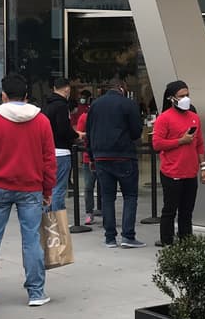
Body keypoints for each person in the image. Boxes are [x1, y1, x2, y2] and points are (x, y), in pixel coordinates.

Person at [0, 73, 56, 308]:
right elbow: (49, 160)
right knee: (31, 240)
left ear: (4, 95)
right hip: (31, 187)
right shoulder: (41, 121)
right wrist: (47, 189)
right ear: (26, 95)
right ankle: (36, 292)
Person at [87, 77, 145, 248]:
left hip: (101, 157)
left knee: (107, 197)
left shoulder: (95, 105)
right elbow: (136, 132)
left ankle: (110, 237)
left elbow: (89, 133)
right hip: (124, 155)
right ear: (122, 87)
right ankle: (128, 236)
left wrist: (91, 157)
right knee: (130, 196)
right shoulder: (128, 104)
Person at [153, 80, 205, 246]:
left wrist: (203, 168)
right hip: (171, 173)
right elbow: (157, 144)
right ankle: (167, 241)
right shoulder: (164, 118)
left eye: (187, 95)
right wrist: (180, 141)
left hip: (190, 172)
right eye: (181, 96)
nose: (186, 99)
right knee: (170, 210)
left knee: (187, 211)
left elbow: (199, 144)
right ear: (172, 98)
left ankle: (186, 242)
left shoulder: (194, 118)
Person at [42, 75, 79, 212]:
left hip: (48, 151)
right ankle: (58, 219)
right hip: (62, 152)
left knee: (49, 189)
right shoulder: (62, 106)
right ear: (67, 89)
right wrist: (76, 135)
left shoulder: (47, 106)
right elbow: (64, 129)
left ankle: (48, 219)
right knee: (59, 189)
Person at [75, 104, 99, 226]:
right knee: (89, 186)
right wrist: (87, 135)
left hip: (102, 155)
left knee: (106, 186)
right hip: (88, 156)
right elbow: (78, 135)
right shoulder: (84, 117)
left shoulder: (104, 117)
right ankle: (89, 212)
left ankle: (106, 211)